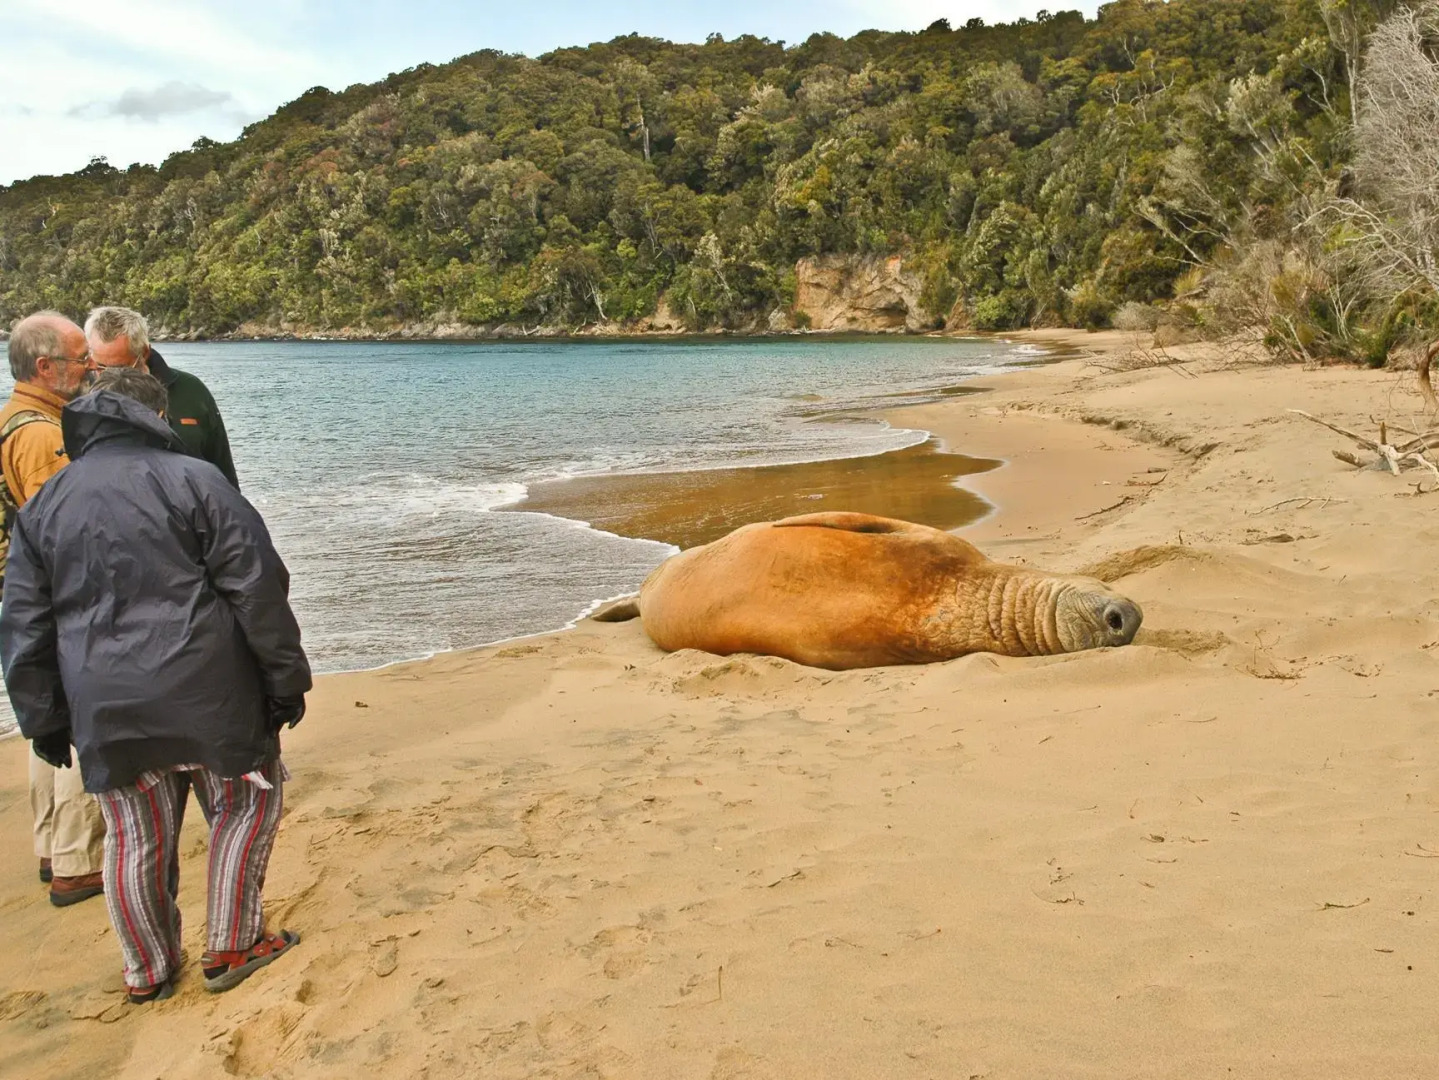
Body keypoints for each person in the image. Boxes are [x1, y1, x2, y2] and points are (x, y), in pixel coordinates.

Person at [1, 367, 311, 1003]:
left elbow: (24, 625)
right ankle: (231, 944)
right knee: (245, 806)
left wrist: (44, 720)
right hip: (210, 689)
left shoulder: (47, 505)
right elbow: (258, 586)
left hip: (104, 702)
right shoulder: (198, 481)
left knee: (134, 835)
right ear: (157, 417)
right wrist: (285, 680)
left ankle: (147, 970)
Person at [1, 311, 106, 907]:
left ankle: (53, 848)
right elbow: (65, 532)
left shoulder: (17, 418)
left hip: (26, 600)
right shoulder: (42, 433)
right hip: (57, 599)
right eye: (79, 359)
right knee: (76, 719)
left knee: (46, 723)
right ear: (45, 368)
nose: (89, 368)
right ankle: (78, 858)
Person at [84, 305, 240, 488]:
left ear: (144, 353)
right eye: (101, 367)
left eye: (119, 368)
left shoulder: (191, 390)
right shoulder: (81, 400)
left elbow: (224, 471)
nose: (109, 376)